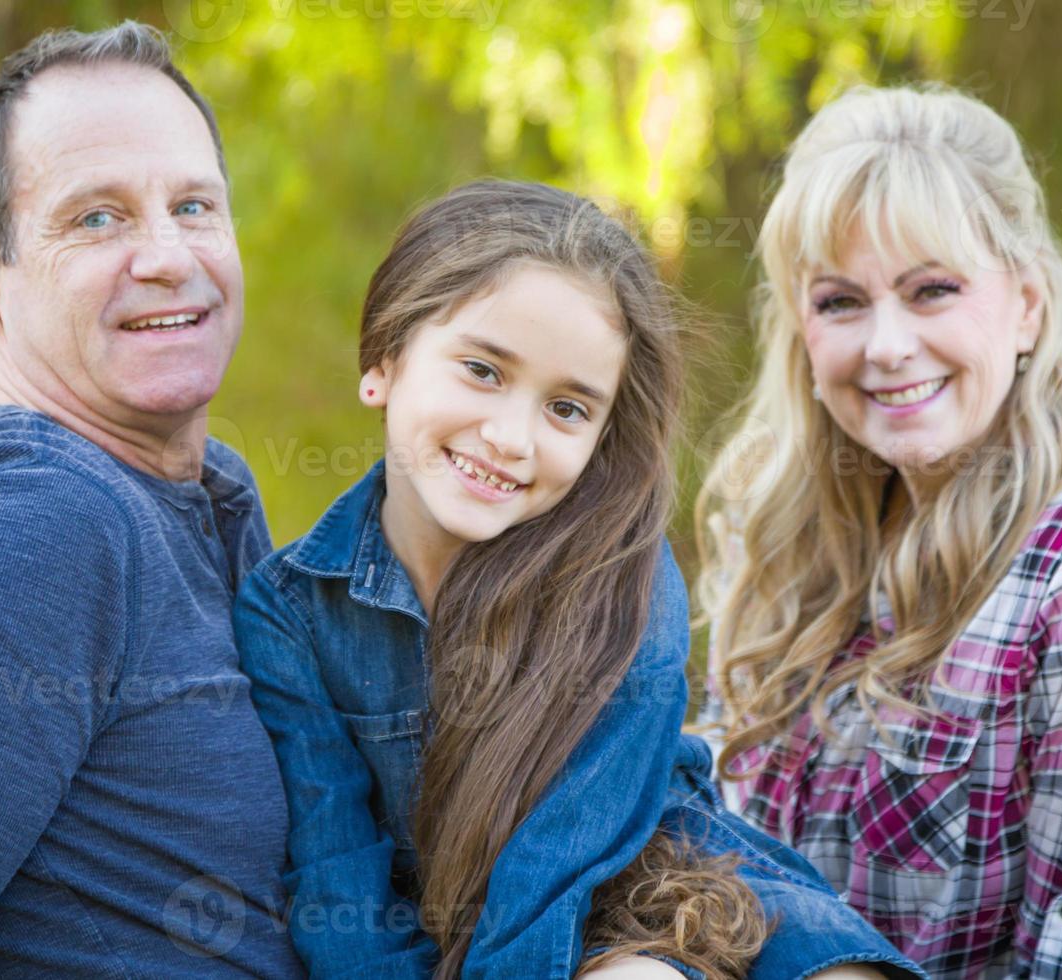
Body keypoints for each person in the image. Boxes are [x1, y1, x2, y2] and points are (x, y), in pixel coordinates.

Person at [233, 180, 928, 979]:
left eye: (567, 409)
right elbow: (335, 880)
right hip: (438, 928)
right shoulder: (289, 610)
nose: (510, 438)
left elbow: (560, 870)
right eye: (483, 370)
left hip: (656, 880)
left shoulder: (624, 580)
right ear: (384, 359)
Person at [695, 83, 1062, 978]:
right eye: (840, 302)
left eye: (931, 290)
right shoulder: (792, 542)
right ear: (801, 326)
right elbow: (712, 871)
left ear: (1026, 303)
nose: (887, 345)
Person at [0, 23, 302, 977]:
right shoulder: (28, 528)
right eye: (97, 218)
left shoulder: (207, 498)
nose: (166, 256)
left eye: (194, 206)